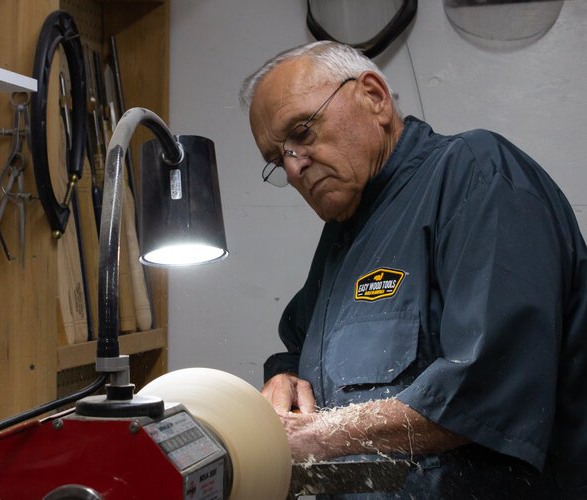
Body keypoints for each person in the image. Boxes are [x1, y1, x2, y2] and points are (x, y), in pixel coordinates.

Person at [239, 40, 587, 498]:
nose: (294, 164)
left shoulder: (477, 174)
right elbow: (299, 346)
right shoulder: (346, 231)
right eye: (276, 158)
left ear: (374, 97)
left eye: (303, 131)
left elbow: (488, 386)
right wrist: (283, 381)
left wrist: (315, 437)